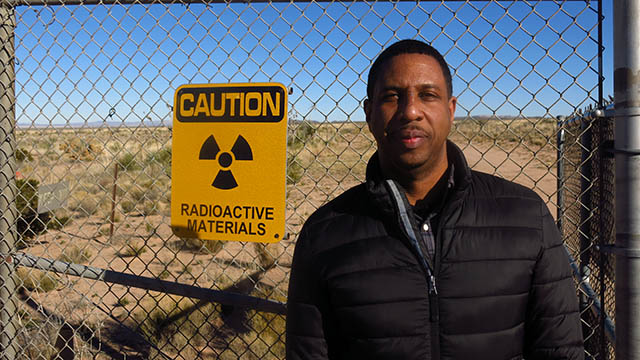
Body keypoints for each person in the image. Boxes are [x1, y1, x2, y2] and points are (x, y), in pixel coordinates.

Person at [285, 39, 583, 360]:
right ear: (369, 113)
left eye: (428, 95)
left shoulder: (526, 219)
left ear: (451, 111)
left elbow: (560, 351)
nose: (410, 110)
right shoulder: (324, 236)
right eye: (391, 97)